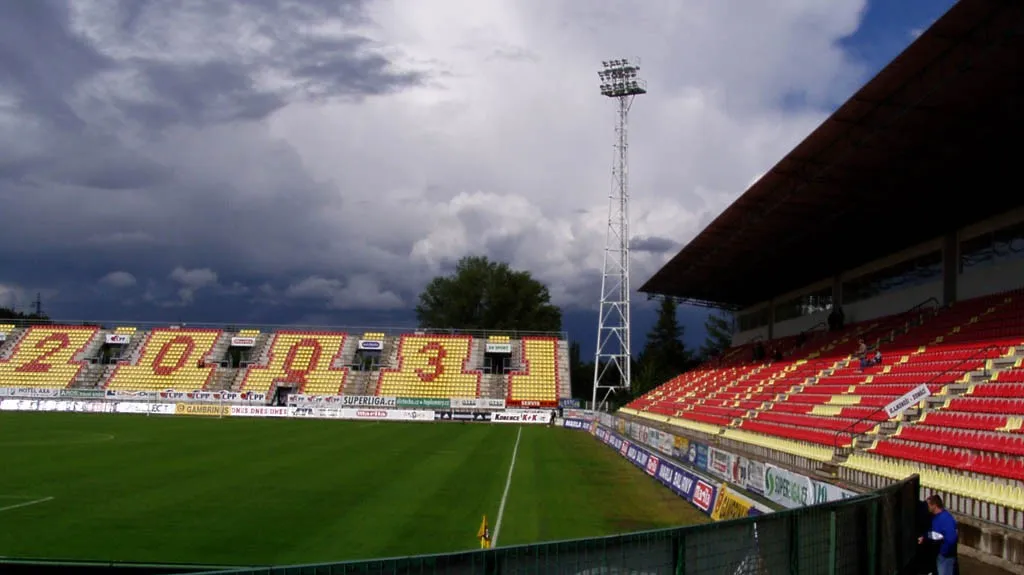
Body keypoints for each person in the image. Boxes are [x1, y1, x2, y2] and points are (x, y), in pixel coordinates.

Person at [918, 495, 958, 575]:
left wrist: (943, 552)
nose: (927, 507)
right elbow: (935, 533)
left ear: (934, 505)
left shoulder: (946, 519)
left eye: (928, 505)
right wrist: (925, 537)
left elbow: (951, 539)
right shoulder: (936, 517)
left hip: (945, 556)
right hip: (941, 554)